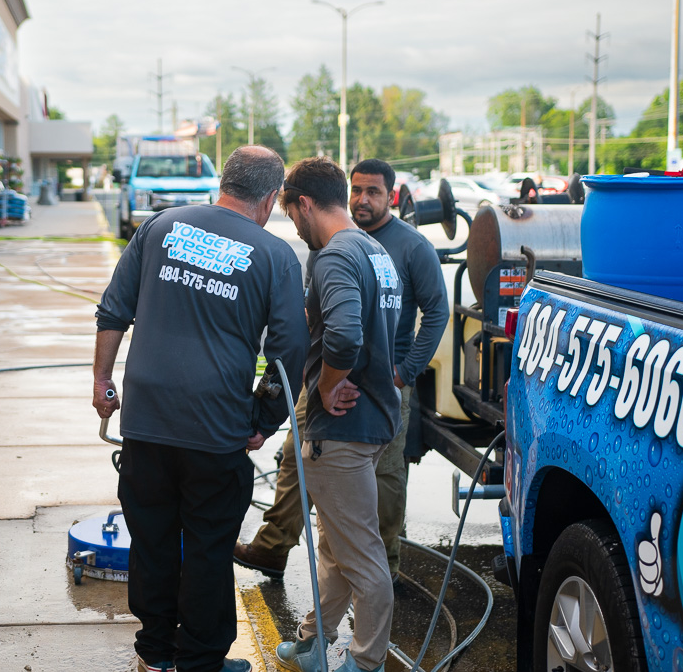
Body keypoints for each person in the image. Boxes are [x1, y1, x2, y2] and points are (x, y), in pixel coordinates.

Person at [93, 145, 309, 672]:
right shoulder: (275, 254)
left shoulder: (159, 226)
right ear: (271, 198)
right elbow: (289, 351)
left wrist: (102, 380)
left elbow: (113, 309)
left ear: (224, 181)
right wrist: (264, 420)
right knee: (209, 548)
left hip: (145, 422)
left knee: (152, 541)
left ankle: (155, 655)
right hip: (215, 429)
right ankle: (199, 662)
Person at [234, 160, 449, 589]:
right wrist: (314, 376)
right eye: (357, 190)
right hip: (325, 376)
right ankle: (274, 546)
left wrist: (404, 373)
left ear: (391, 196)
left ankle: (382, 566)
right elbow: (317, 313)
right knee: (297, 459)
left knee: (383, 478)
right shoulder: (324, 242)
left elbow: (436, 312)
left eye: (374, 192)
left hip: (380, 383)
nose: (363, 199)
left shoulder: (410, 247)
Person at [272, 157, 402, 672]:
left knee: (361, 555)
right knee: (336, 546)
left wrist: (326, 388)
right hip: (373, 421)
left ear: (305, 204)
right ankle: (313, 643)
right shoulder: (375, 250)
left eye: (291, 215)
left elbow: (346, 335)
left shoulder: (333, 257)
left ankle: (365, 662)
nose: (294, 227)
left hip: (343, 431)